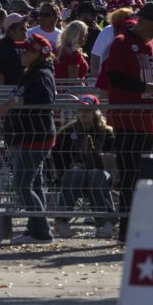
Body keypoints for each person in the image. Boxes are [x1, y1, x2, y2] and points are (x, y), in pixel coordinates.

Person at [96, 2, 153, 241]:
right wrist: (150, 88)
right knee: (131, 176)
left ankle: (147, 224)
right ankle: (127, 229)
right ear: (143, 21)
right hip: (129, 121)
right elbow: (115, 79)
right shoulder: (120, 43)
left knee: (149, 178)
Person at [0, 32, 57, 244]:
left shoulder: (42, 74)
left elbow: (45, 99)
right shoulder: (32, 72)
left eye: (27, 50)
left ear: (37, 53)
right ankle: (36, 229)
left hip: (35, 135)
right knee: (33, 184)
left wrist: (14, 102)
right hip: (30, 135)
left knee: (23, 185)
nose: (22, 53)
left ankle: (41, 231)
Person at [52, 96, 116, 238]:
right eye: (80, 109)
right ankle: (61, 221)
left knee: (95, 174)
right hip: (74, 175)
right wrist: (71, 166)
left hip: (101, 173)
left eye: (87, 109)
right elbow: (57, 157)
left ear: (96, 112)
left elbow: (112, 159)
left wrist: (96, 161)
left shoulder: (107, 133)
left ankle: (106, 223)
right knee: (75, 173)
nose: (83, 113)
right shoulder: (66, 132)